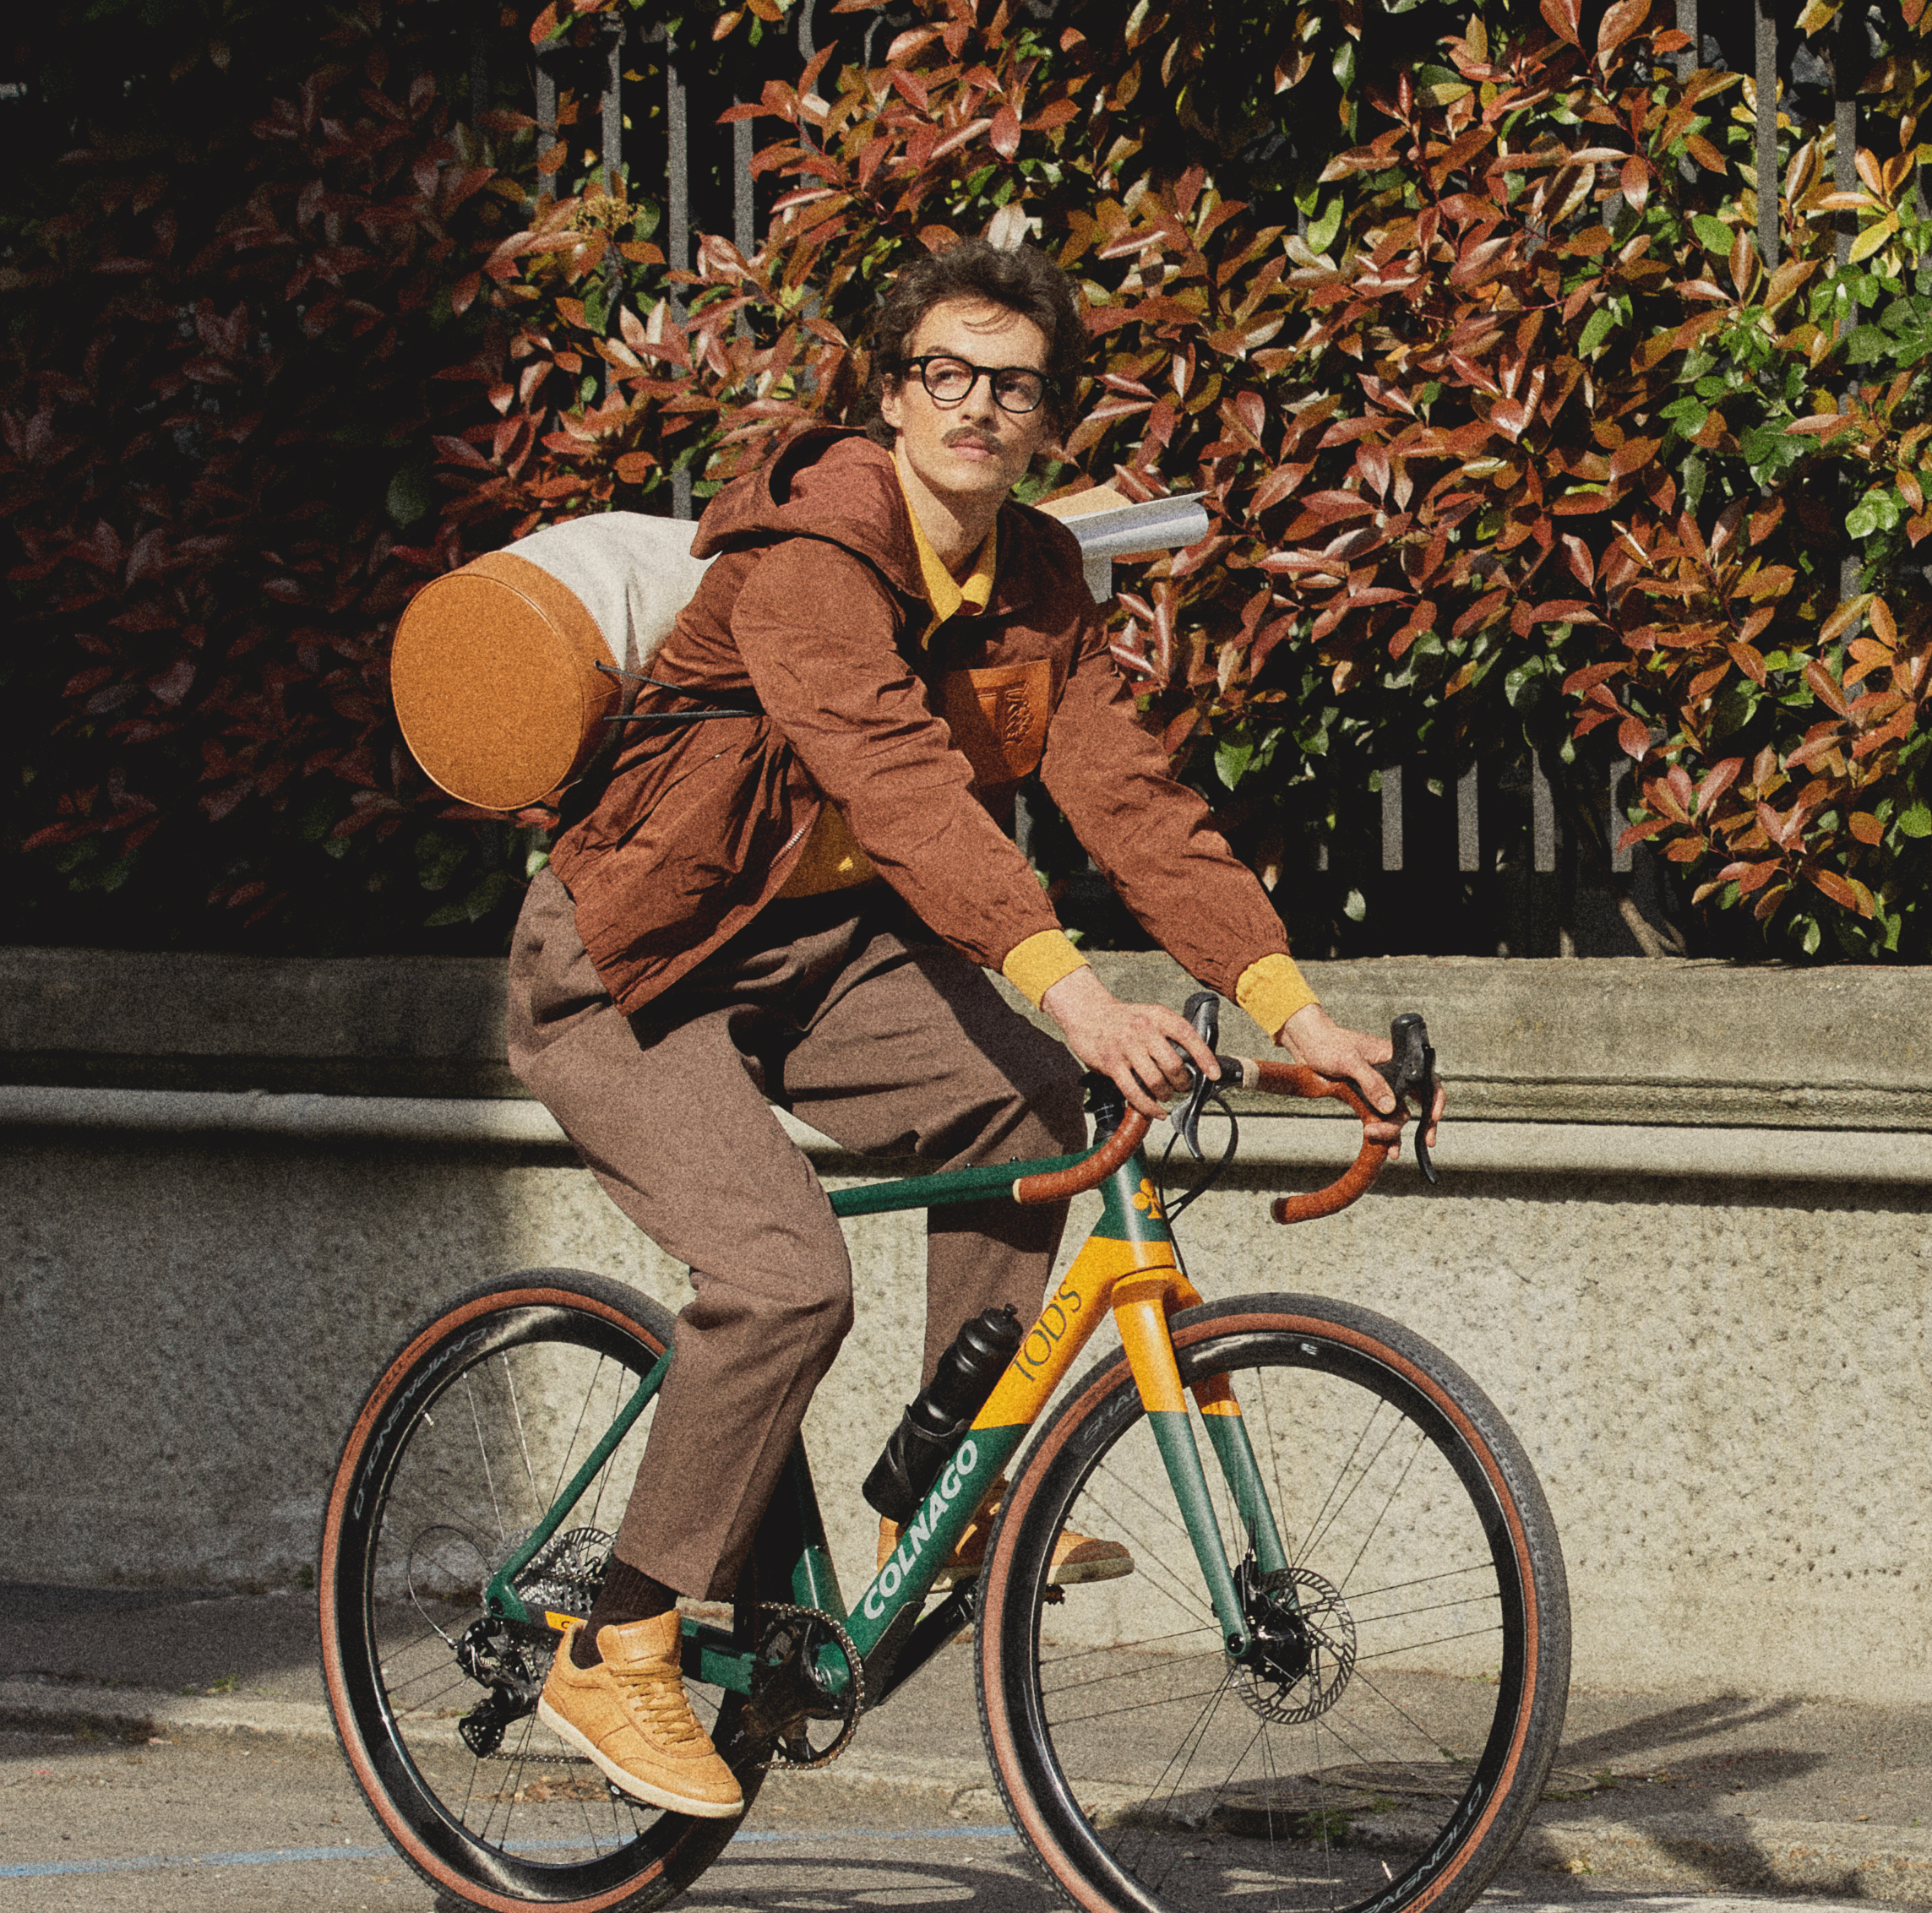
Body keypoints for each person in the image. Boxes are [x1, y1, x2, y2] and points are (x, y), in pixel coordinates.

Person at [503, 235, 1414, 1818]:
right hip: (630, 961)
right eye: (948, 375)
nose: (980, 409)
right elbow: (907, 792)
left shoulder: (1038, 581)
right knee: (785, 1276)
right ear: (889, 390)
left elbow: (1133, 803)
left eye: (1016, 385)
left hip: (817, 952)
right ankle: (617, 1639)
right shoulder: (806, 562)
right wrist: (1073, 986)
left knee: (1033, 1116)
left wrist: (1298, 1007)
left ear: (1051, 418)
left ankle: (954, 1491)